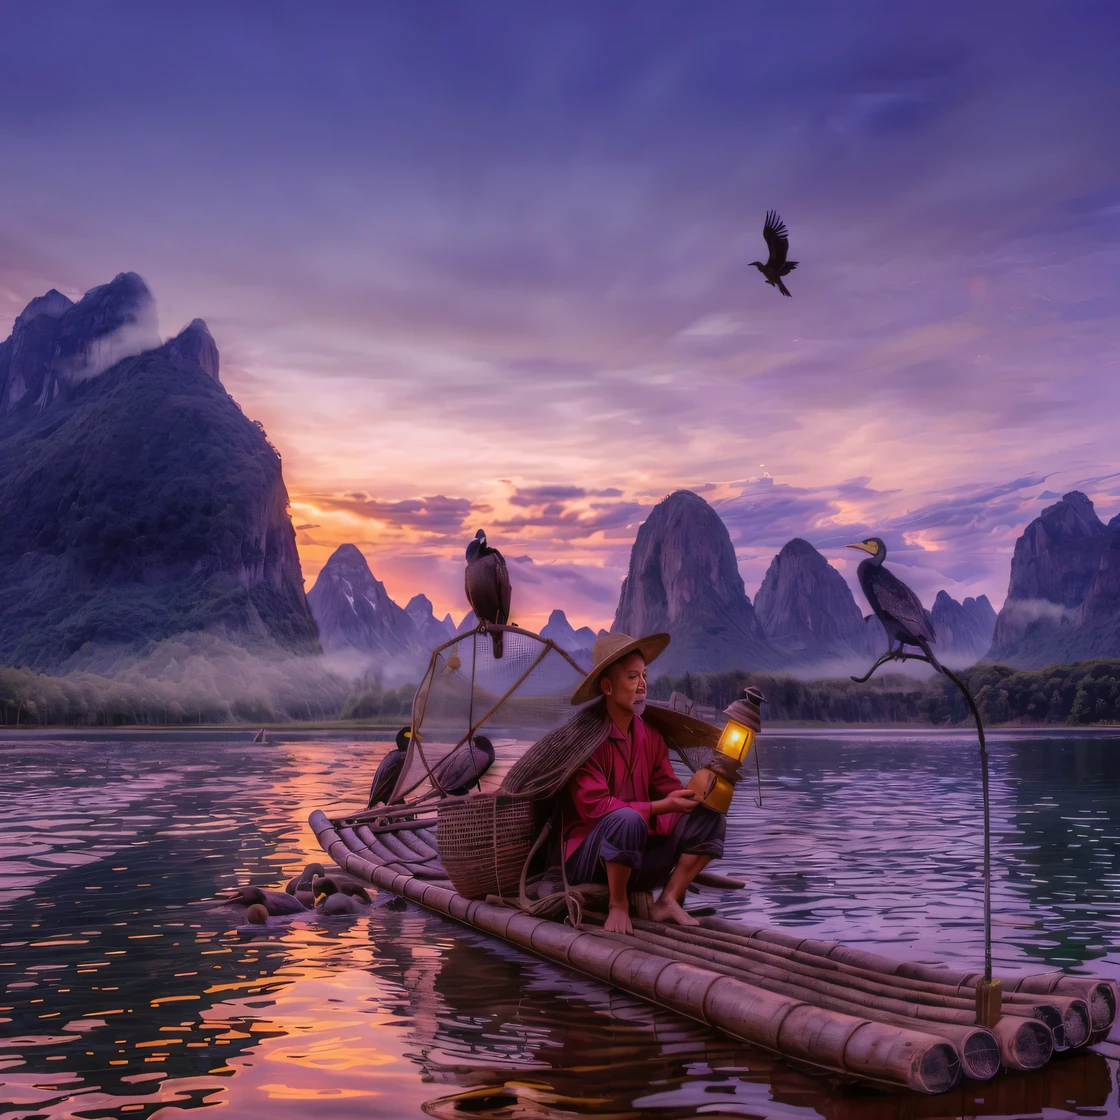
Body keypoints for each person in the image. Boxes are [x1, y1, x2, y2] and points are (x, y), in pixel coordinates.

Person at [562, 632, 726, 934]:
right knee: (626, 819)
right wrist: (662, 806)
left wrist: (698, 793)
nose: (642, 685)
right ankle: (617, 904)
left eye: (644, 675)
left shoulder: (650, 736)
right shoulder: (584, 742)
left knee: (710, 816)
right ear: (608, 687)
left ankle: (668, 899)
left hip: (638, 852)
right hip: (590, 860)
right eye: (632, 676)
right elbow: (597, 809)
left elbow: (668, 787)